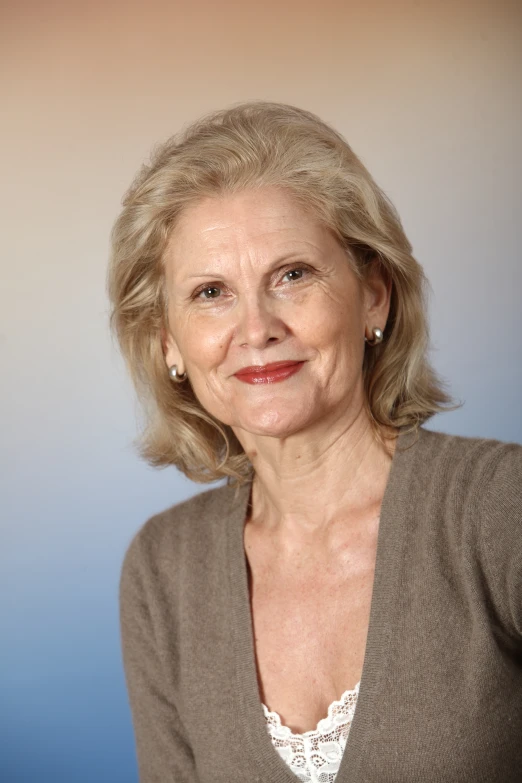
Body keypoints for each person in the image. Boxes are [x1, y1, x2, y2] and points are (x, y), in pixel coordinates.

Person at [107, 101, 522, 783]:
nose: (257, 327)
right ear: (168, 344)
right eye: (211, 292)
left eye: (292, 274)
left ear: (374, 297)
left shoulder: (497, 510)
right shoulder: (162, 571)